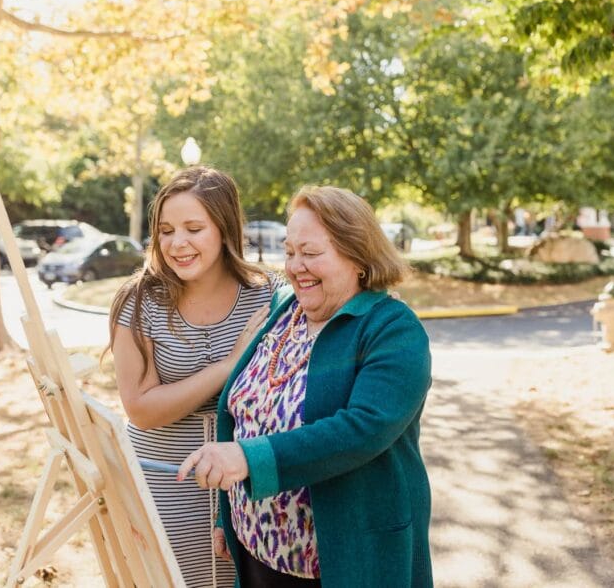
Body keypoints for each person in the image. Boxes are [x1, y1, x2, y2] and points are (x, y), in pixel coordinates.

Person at [178, 185, 433, 588]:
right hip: (257, 551)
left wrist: (247, 459)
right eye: (290, 251)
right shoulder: (285, 308)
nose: (296, 266)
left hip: (341, 564)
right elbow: (244, 416)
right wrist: (225, 516)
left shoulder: (394, 329)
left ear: (359, 256)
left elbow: (363, 428)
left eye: (311, 253)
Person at [107, 166, 277, 588]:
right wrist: (227, 366)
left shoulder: (267, 295)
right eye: (165, 230)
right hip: (163, 480)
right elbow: (141, 409)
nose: (176, 243)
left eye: (193, 228)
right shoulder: (139, 299)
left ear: (224, 229)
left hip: (244, 484)